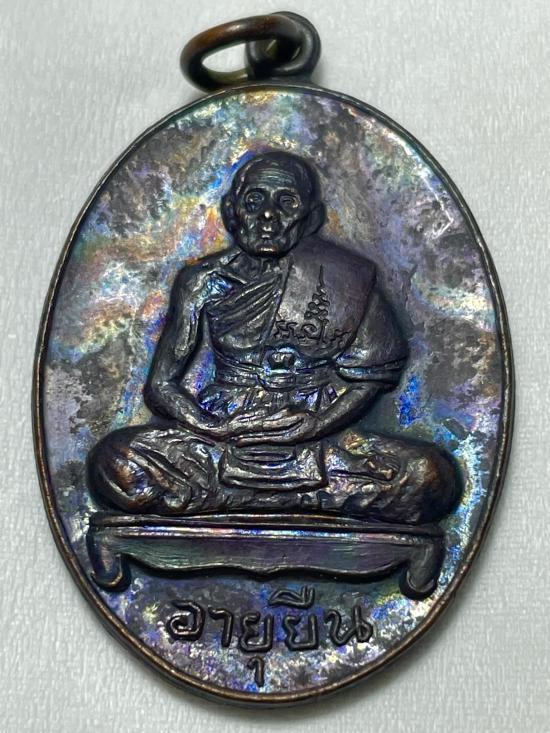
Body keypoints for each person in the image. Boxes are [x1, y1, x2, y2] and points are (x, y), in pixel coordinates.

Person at [88, 151, 460, 523]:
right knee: (116, 462)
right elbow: (161, 385)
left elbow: (371, 376)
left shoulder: (345, 278)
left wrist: (316, 425)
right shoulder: (201, 282)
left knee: (429, 477)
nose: (268, 216)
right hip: (223, 434)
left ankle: (233, 497)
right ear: (232, 212)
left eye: (286, 203)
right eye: (254, 202)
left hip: (319, 434)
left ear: (312, 218)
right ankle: (306, 499)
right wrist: (213, 426)